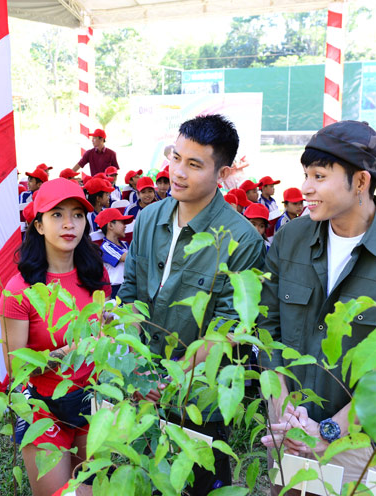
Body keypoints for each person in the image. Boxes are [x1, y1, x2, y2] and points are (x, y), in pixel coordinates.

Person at [258, 120, 376, 484]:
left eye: (318, 176)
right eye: (305, 175)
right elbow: (266, 327)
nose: (305, 188)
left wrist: (329, 430)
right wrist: (283, 408)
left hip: (360, 439)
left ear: (360, 182)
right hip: (287, 423)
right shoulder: (290, 238)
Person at [119, 114, 265, 495]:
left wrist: (171, 379)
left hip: (200, 395)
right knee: (148, 474)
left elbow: (228, 328)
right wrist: (138, 367)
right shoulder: (149, 218)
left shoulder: (241, 239)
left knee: (200, 481)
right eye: (175, 157)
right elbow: (131, 293)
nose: (178, 173)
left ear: (222, 172)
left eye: (194, 164)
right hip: (143, 383)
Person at [0, 178, 110, 496]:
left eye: (77, 215)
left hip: (91, 405)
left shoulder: (95, 276)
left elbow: (101, 341)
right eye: (57, 215)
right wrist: (66, 354)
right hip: (43, 408)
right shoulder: (19, 290)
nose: (69, 224)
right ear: (38, 224)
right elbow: (16, 368)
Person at [95, 208, 133, 299]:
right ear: (111, 225)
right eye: (122, 222)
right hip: (115, 290)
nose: (125, 226)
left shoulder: (124, 244)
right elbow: (129, 259)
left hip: (128, 285)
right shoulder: (105, 247)